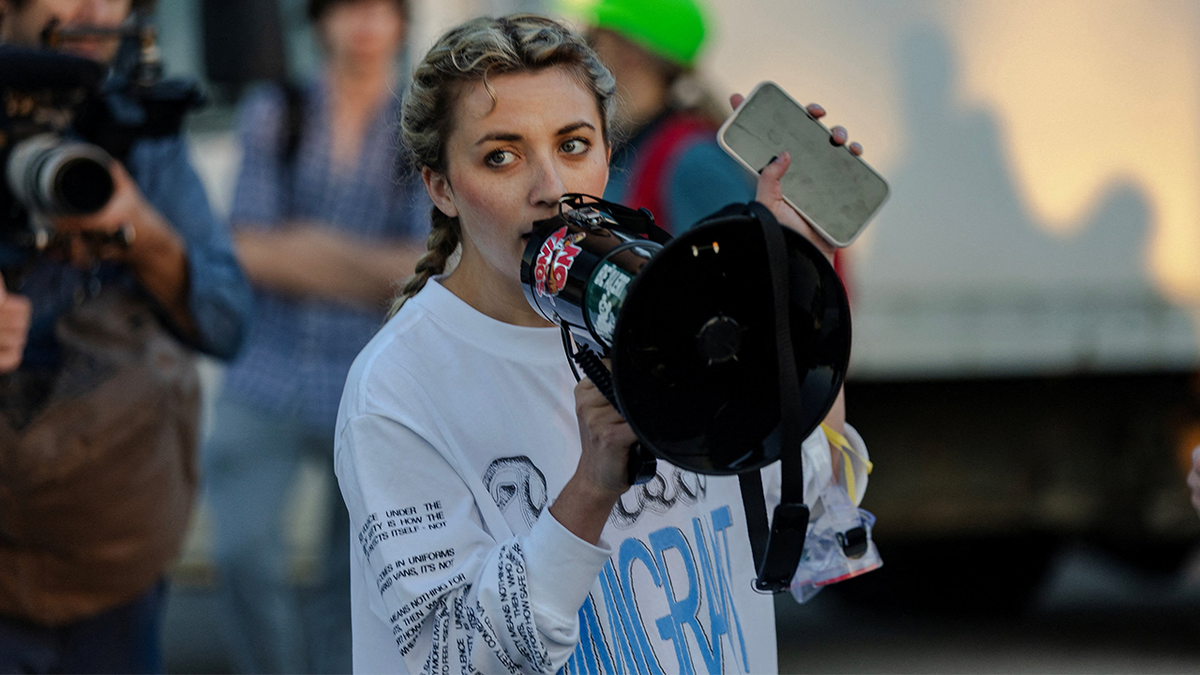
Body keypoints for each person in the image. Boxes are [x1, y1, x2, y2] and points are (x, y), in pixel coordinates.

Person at [334, 14, 871, 674]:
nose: (551, 190)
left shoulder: (671, 309)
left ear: (609, 153)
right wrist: (591, 487)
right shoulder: (400, 386)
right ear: (440, 185)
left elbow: (816, 493)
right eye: (501, 155)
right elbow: (451, 656)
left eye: (573, 144)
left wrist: (798, 280)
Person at [0, 0, 252, 672]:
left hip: (115, 568)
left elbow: (227, 320)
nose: (92, 10)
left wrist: (137, 228)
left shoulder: (140, 128)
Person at [201, 0, 428, 672]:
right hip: (264, 369)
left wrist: (300, 246)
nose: (365, 23)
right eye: (348, 8)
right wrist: (366, 264)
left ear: (399, 23)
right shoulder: (278, 109)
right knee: (241, 552)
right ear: (320, 22)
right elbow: (245, 247)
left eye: (380, 9)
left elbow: (421, 266)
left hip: (369, 381)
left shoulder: (416, 126)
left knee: (355, 575)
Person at [584, 0, 861, 237]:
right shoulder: (639, 145)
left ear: (631, 50)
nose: (581, 52)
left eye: (592, 36)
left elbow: (741, 282)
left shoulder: (692, 160)